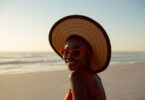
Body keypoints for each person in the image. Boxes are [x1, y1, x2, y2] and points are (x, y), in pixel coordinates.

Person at [49, 15, 111, 100]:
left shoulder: (77, 76)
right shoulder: (95, 77)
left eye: (76, 52)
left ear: (89, 55)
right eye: (65, 52)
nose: (69, 56)